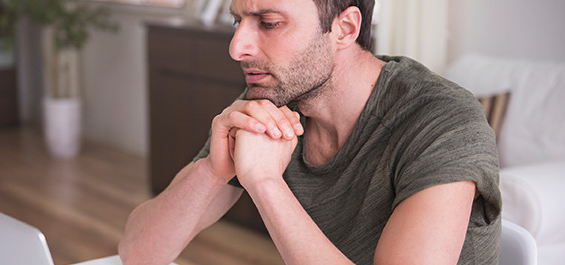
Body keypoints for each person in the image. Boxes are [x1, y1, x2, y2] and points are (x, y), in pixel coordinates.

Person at [118, 0, 502, 264]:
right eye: (239, 21)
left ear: (345, 28)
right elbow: (137, 253)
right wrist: (212, 171)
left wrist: (266, 182)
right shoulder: (278, 100)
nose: (237, 47)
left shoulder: (442, 120)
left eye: (269, 23)